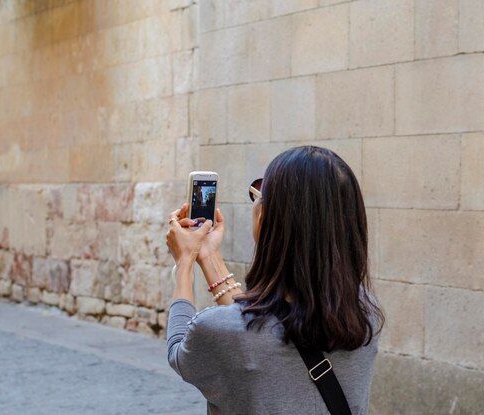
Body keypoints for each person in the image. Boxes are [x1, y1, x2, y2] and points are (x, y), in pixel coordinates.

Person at [165, 145, 385, 415]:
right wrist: (209, 257)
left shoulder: (219, 330)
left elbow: (179, 350)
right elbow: (261, 321)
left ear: (265, 217)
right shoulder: (365, 313)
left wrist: (185, 262)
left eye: (257, 195)